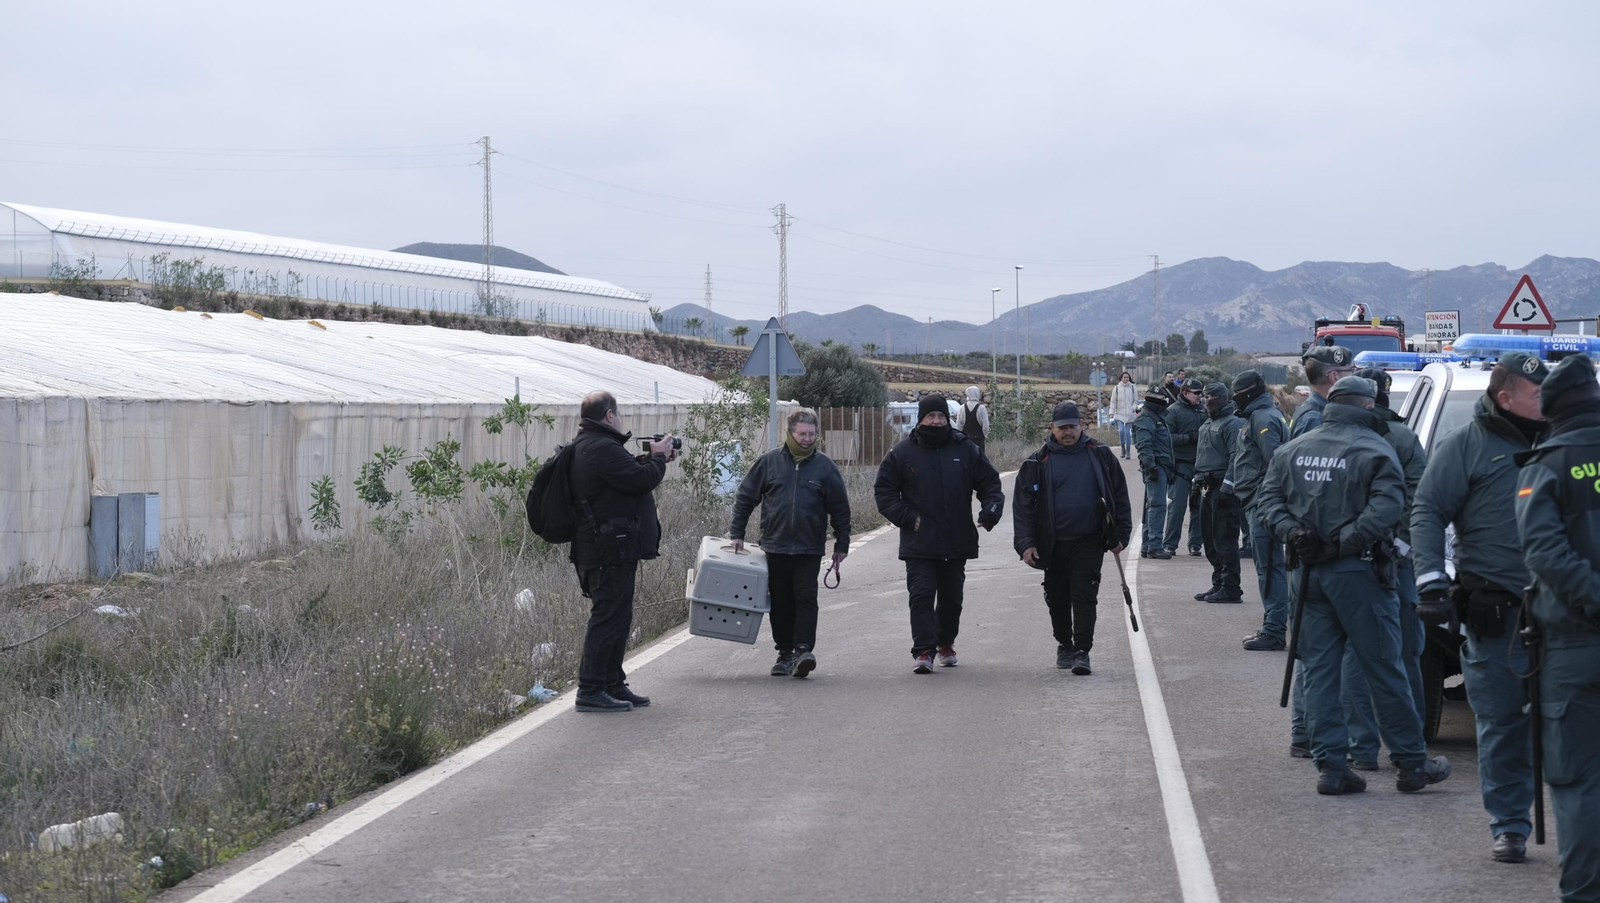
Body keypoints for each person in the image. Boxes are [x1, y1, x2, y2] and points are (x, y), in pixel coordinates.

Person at [1257, 376, 1451, 796]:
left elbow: (1267, 503)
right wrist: (1343, 543)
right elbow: (1388, 508)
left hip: (1308, 575)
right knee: (1385, 668)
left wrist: (1296, 535)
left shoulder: (1293, 450)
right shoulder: (1375, 450)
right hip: (1360, 574)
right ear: (1367, 406)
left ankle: (1331, 766)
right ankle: (1411, 763)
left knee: (1320, 671)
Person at [1414, 350, 1549, 863]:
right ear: (1506, 397)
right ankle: (1510, 825)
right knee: (1501, 722)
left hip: (1568, 610)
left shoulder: (1569, 441)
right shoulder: (1465, 445)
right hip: (1498, 611)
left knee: (1573, 720)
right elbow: (1428, 510)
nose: (1549, 399)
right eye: (1538, 393)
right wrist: (1431, 582)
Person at [1512, 353, 1600, 899]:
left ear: (1551, 411)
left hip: (1575, 644)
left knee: (1579, 782)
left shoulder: (1547, 465)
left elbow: (1544, 553)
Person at [1339, 368, 1429, 771]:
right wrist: (1401, 545)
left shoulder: (1336, 437)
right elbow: (1419, 499)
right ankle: (1410, 745)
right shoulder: (1403, 438)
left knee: (1357, 654)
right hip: (1396, 559)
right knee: (1404, 651)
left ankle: (1361, 748)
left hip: (1352, 557)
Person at [876, 394, 1005, 673]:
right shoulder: (902, 452)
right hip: (919, 540)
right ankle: (924, 651)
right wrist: (909, 518)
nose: (936, 421)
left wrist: (990, 512)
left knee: (951, 598)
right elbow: (884, 493)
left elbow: (990, 484)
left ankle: (945, 643)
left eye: (941, 416)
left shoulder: (966, 449)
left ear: (948, 419)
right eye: (930, 416)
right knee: (921, 595)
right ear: (921, 419)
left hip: (956, 539)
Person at [568, 391, 678, 713]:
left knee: (618, 615)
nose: (621, 420)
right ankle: (591, 689)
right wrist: (657, 458)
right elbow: (641, 480)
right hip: (605, 550)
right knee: (607, 617)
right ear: (609, 416)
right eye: (620, 414)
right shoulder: (600, 447)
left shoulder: (592, 445)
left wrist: (651, 459)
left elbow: (622, 478)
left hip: (609, 547)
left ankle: (612, 683)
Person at [729, 408, 852, 679]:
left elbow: (840, 509)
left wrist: (842, 544)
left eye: (812, 434)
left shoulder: (825, 467)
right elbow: (745, 498)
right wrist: (737, 533)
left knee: (806, 598)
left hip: (809, 547)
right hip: (775, 545)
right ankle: (784, 653)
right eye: (802, 434)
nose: (807, 439)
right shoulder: (769, 462)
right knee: (781, 601)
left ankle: (803, 650)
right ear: (790, 432)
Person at [1012, 401, 1133, 675]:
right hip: (1052, 543)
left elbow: (1120, 497)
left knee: (1084, 594)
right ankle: (1064, 644)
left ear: (1082, 425)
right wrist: (1026, 543)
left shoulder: (1100, 455)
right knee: (1057, 598)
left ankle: (1082, 651)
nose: (1068, 432)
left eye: (1072, 426)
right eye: (1062, 427)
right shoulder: (1036, 462)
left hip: (1089, 540)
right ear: (1052, 428)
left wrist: (1121, 535)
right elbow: (1023, 508)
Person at [1232, 370, 1291, 650]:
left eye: (1237, 395)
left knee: (1269, 568)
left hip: (1262, 504)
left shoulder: (1263, 418)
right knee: (1269, 567)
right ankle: (1273, 624)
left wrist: (1266, 502)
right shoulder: (1258, 415)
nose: (1234, 399)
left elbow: (1276, 463)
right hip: (1258, 501)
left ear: (1248, 394)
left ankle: (1274, 631)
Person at [1194, 382, 1245, 602]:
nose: (1207, 400)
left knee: (1225, 538)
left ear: (1224, 398)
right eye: (1205, 397)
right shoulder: (1208, 421)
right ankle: (1219, 582)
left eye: (1212, 397)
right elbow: (1202, 455)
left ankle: (1231, 587)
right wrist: (1195, 485)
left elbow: (1236, 457)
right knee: (1209, 538)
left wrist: (1227, 488)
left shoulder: (1233, 423)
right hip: (1206, 487)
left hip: (1222, 488)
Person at [1164, 377, 1206, 557]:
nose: (1200, 396)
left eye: (1201, 393)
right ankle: (1170, 544)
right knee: (1177, 508)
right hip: (1180, 466)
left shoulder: (1204, 411)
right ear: (1185, 393)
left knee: (1199, 508)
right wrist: (1189, 438)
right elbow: (1167, 437)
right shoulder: (1173, 411)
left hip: (1201, 466)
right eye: (1196, 393)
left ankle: (1195, 544)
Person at [1133, 385, 1175, 559]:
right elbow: (1144, 446)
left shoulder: (1156, 417)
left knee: (1152, 506)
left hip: (1161, 466)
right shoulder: (1147, 419)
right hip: (1156, 467)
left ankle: (1148, 545)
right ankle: (1155, 546)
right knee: (1157, 506)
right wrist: (1152, 467)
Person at [1290, 345, 1357, 440]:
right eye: (1350, 370)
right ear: (1334, 376)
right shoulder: (1314, 418)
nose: (1353, 376)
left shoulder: (1319, 410)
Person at [1109, 371, 1139, 459]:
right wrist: (1111, 412)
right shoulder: (1117, 388)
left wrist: (1133, 407)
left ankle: (1128, 451)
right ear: (1121, 378)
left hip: (1130, 414)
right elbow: (1113, 401)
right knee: (1121, 431)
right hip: (1119, 413)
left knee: (1127, 433)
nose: (1126, 378)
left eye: (1127, 377)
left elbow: (1136, 400)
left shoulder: (1133, 387)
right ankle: (1123, 449)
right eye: (1124, 377)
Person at [956, 385, 990, 458]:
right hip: (978, 441)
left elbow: (958, 426)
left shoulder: (962, 408)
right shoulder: (982, 408)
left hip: (966, 441)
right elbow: (985, 427)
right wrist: (985, 436)